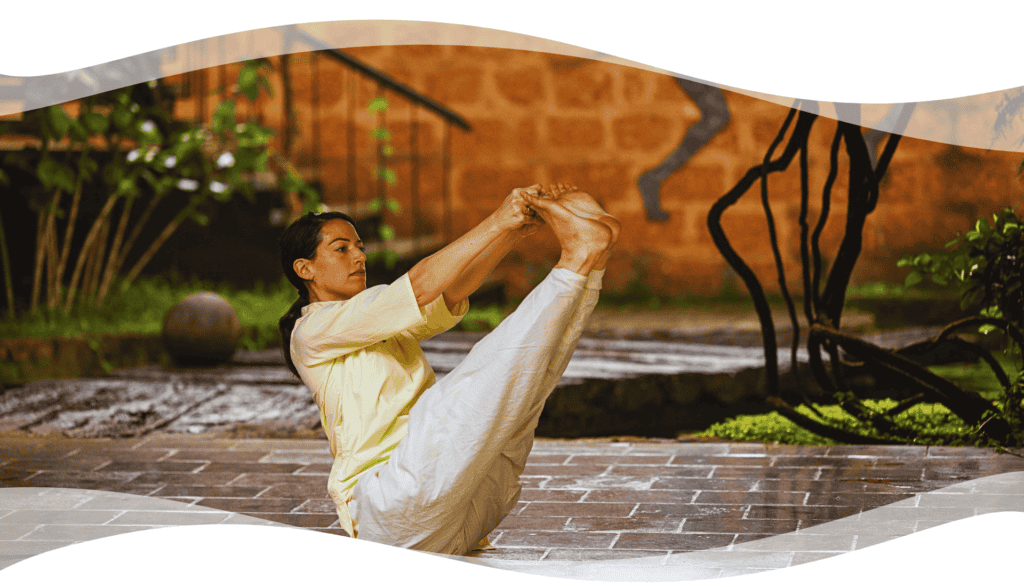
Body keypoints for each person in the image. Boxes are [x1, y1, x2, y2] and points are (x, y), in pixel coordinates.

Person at [278, 183, 620, 555]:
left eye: (359, 246)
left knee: (528, 385)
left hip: (460, 512)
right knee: (485, 377)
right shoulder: (311, 330)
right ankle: (578, 257)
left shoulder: (374, 321)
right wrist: (496, 221)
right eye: (341, 249)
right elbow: (421, 285)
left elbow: (449, 291)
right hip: (390, 501)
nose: (359, 257)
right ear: (305, 269)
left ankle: (590, 262)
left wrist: (512, 231)